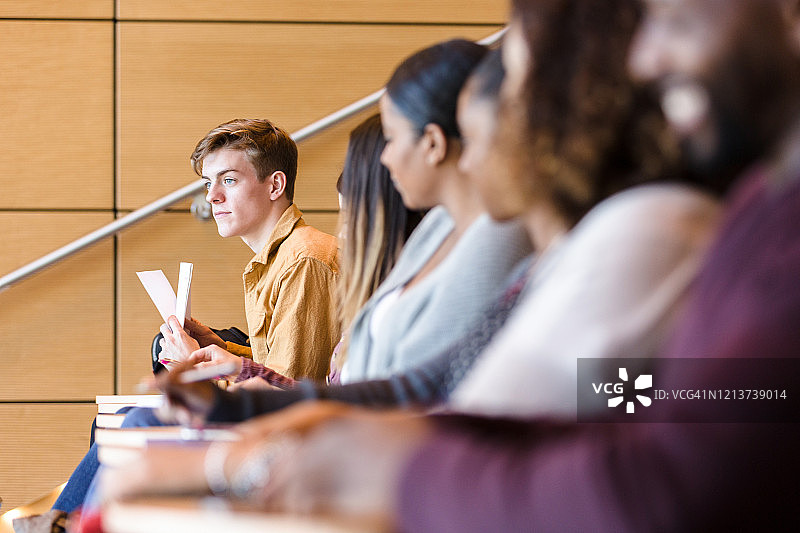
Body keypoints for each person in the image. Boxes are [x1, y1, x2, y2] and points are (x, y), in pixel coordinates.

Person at [183, 0, 799, 530]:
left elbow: (663, 461)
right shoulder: (712, 219)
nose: (648, 61)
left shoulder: (657, 226)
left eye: (519, 87)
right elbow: (600, 410)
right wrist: (261, 414)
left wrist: (395, 465)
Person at [158, 118, 340, 382]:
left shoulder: (303, 260)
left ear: (275, 186)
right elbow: (277, 370)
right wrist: (218, 348)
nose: (211, 196)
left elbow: (284, 396)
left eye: (229, 180)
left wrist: (195, 367)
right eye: (208, 183)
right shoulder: (282, 257)